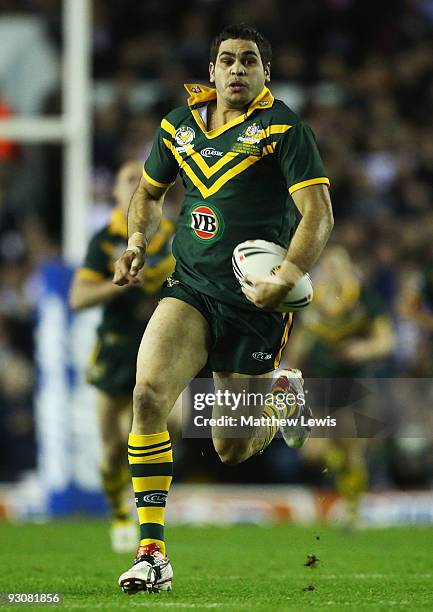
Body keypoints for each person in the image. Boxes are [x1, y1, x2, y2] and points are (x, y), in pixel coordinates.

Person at [113, 24, 333, 593]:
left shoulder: (284, 127)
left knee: (230, 448)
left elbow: (319, 214)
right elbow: (148, 193)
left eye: (250, 61)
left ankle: (280, 393)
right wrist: (136, 242)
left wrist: (286, 278)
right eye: (228, 60)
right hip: (190, 288)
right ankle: (152, 551)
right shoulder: (178, 125)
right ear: (211, 72)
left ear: (265, 75)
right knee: (146, 394)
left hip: (257, 304)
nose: (237, 69)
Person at [69, 160, 175, 552]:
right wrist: (120, 285)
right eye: (127, 179)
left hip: (162, 345)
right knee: (113, 451)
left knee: (172, 420)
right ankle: (118, 512)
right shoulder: (105, 240)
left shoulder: (173, 236)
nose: (136, 185)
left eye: (141, 180)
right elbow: (78, 298)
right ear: (114, 193)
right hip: (115, 351)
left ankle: (150, 515)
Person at [287, 245, 394, 525]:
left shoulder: (364, 299)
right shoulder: (310, 302)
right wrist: (296, 361)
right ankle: (339, 484)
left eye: (339, 266)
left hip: (354, 382)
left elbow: (386, 342)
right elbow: (296, 346)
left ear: (349, 269)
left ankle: (352, 510)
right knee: (312, 453)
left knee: (353, 450)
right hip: (321, 383)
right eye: (329, 266)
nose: (333, 272)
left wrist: (364, 348)